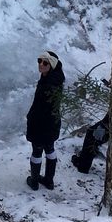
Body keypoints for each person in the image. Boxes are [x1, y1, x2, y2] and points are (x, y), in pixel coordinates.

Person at [25, 50, 65, 190]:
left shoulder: (47, 84)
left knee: (37, 151)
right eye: (39, 61)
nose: (41, 65)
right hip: (53, 123)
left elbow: (40, 107)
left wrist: (31, 117)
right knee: (50, 148)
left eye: (45, 63)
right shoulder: (55, 79)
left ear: (51, 65)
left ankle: (34, 181)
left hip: (40, 124)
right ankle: (49, 181)